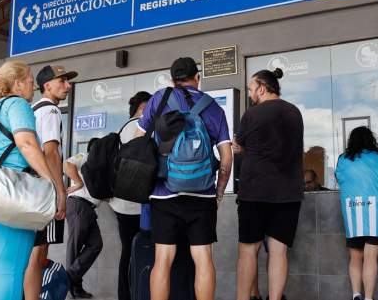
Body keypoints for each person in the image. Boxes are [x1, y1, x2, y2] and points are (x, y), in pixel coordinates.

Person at [0, 61, 63, 300]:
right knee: (10, 273)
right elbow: (26, 144)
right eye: (29, 79)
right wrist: (54, 187)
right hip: (9, 201)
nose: (32, 85)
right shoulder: (17, 104)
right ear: (17, 83)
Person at [135, 57, 233, 300]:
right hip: (202, 195)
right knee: (203, 258)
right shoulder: (213, 108)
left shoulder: (159, 98)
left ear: (172, 79)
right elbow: (227, 158)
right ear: (197, 78)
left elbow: (139, 141)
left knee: (163, 260)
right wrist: (218, 193)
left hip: (163, 193)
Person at [233, 68, 303, 300]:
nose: (251, 94)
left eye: (252, 89)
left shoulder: (252, 114)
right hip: (289, 191)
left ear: (262, 89)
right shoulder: (294, 112)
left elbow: (241, 146)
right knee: (278, 250)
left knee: (248, 250)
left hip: (255, 190)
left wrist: (239, 147)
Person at [24, 65, 76, 300]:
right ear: (47, 86)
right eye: (62, 81)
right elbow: (51, 152)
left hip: (28, 188)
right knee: (39, 251)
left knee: (28, 251)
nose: (68, 86)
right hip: (44, 191)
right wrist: (60, 192)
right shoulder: (51, 111)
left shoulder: (33, 110)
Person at [335, 126, 378, 300]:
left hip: (353, 212)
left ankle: (356, 294)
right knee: (371, 257)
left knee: (355, 256)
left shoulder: (342, 159)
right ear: (371, 140)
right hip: (376, 213)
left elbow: (339, 178)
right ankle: (369, 298)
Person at [114, 91, 151, 300]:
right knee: (133, 251)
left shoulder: (122, 129)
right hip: (133, 204)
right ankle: (131, 294)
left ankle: (128, 294)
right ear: (142, 109)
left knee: (128, 250)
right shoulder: (137, 128)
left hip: (121, 202)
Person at [63, 138, 102, 298]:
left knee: (96, 244)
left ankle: (69, 278)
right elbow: (67, 164)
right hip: (79, 205)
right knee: (75, 246)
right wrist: (78, 182)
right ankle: (73, 286)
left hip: (89, 209)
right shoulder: (85, 156)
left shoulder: (99, 166)